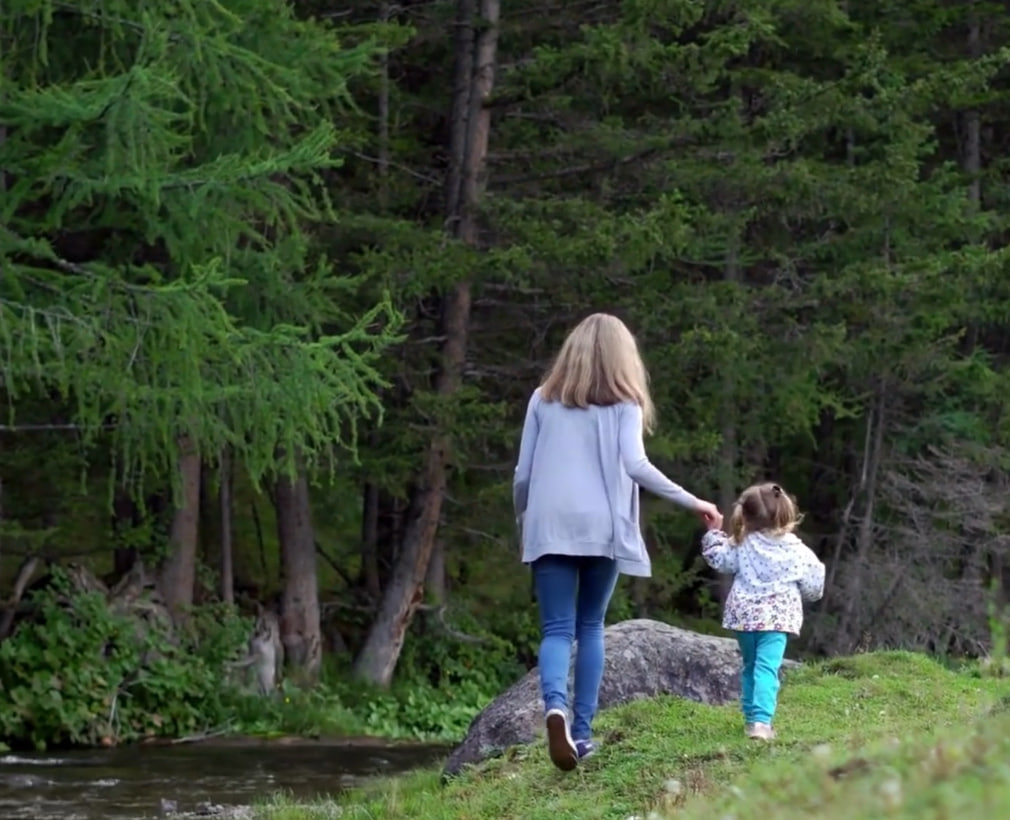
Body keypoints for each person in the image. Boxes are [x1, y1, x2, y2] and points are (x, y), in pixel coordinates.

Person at [513, 313, 722, 772]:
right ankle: (582, 734)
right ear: (624, 358)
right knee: (590, 627)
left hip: (548, 525)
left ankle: (554, 708)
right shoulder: (625, 405)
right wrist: (693, 502)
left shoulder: (540, 401)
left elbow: (523, 474)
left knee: (555, 630)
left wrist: (523, 519)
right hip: (601, 527)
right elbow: (636, 465)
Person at [701, 482, 825, 741]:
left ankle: (750, 719)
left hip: (744, 618)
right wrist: (804, 594)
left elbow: (719, 559)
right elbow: (814, 585)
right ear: (786, 514)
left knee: (750, 666)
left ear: (745, 515)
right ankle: (761, 723)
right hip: (778, 621)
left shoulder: (741, 544)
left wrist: (713, 533)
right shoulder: (798, 551)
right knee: (767, 668)